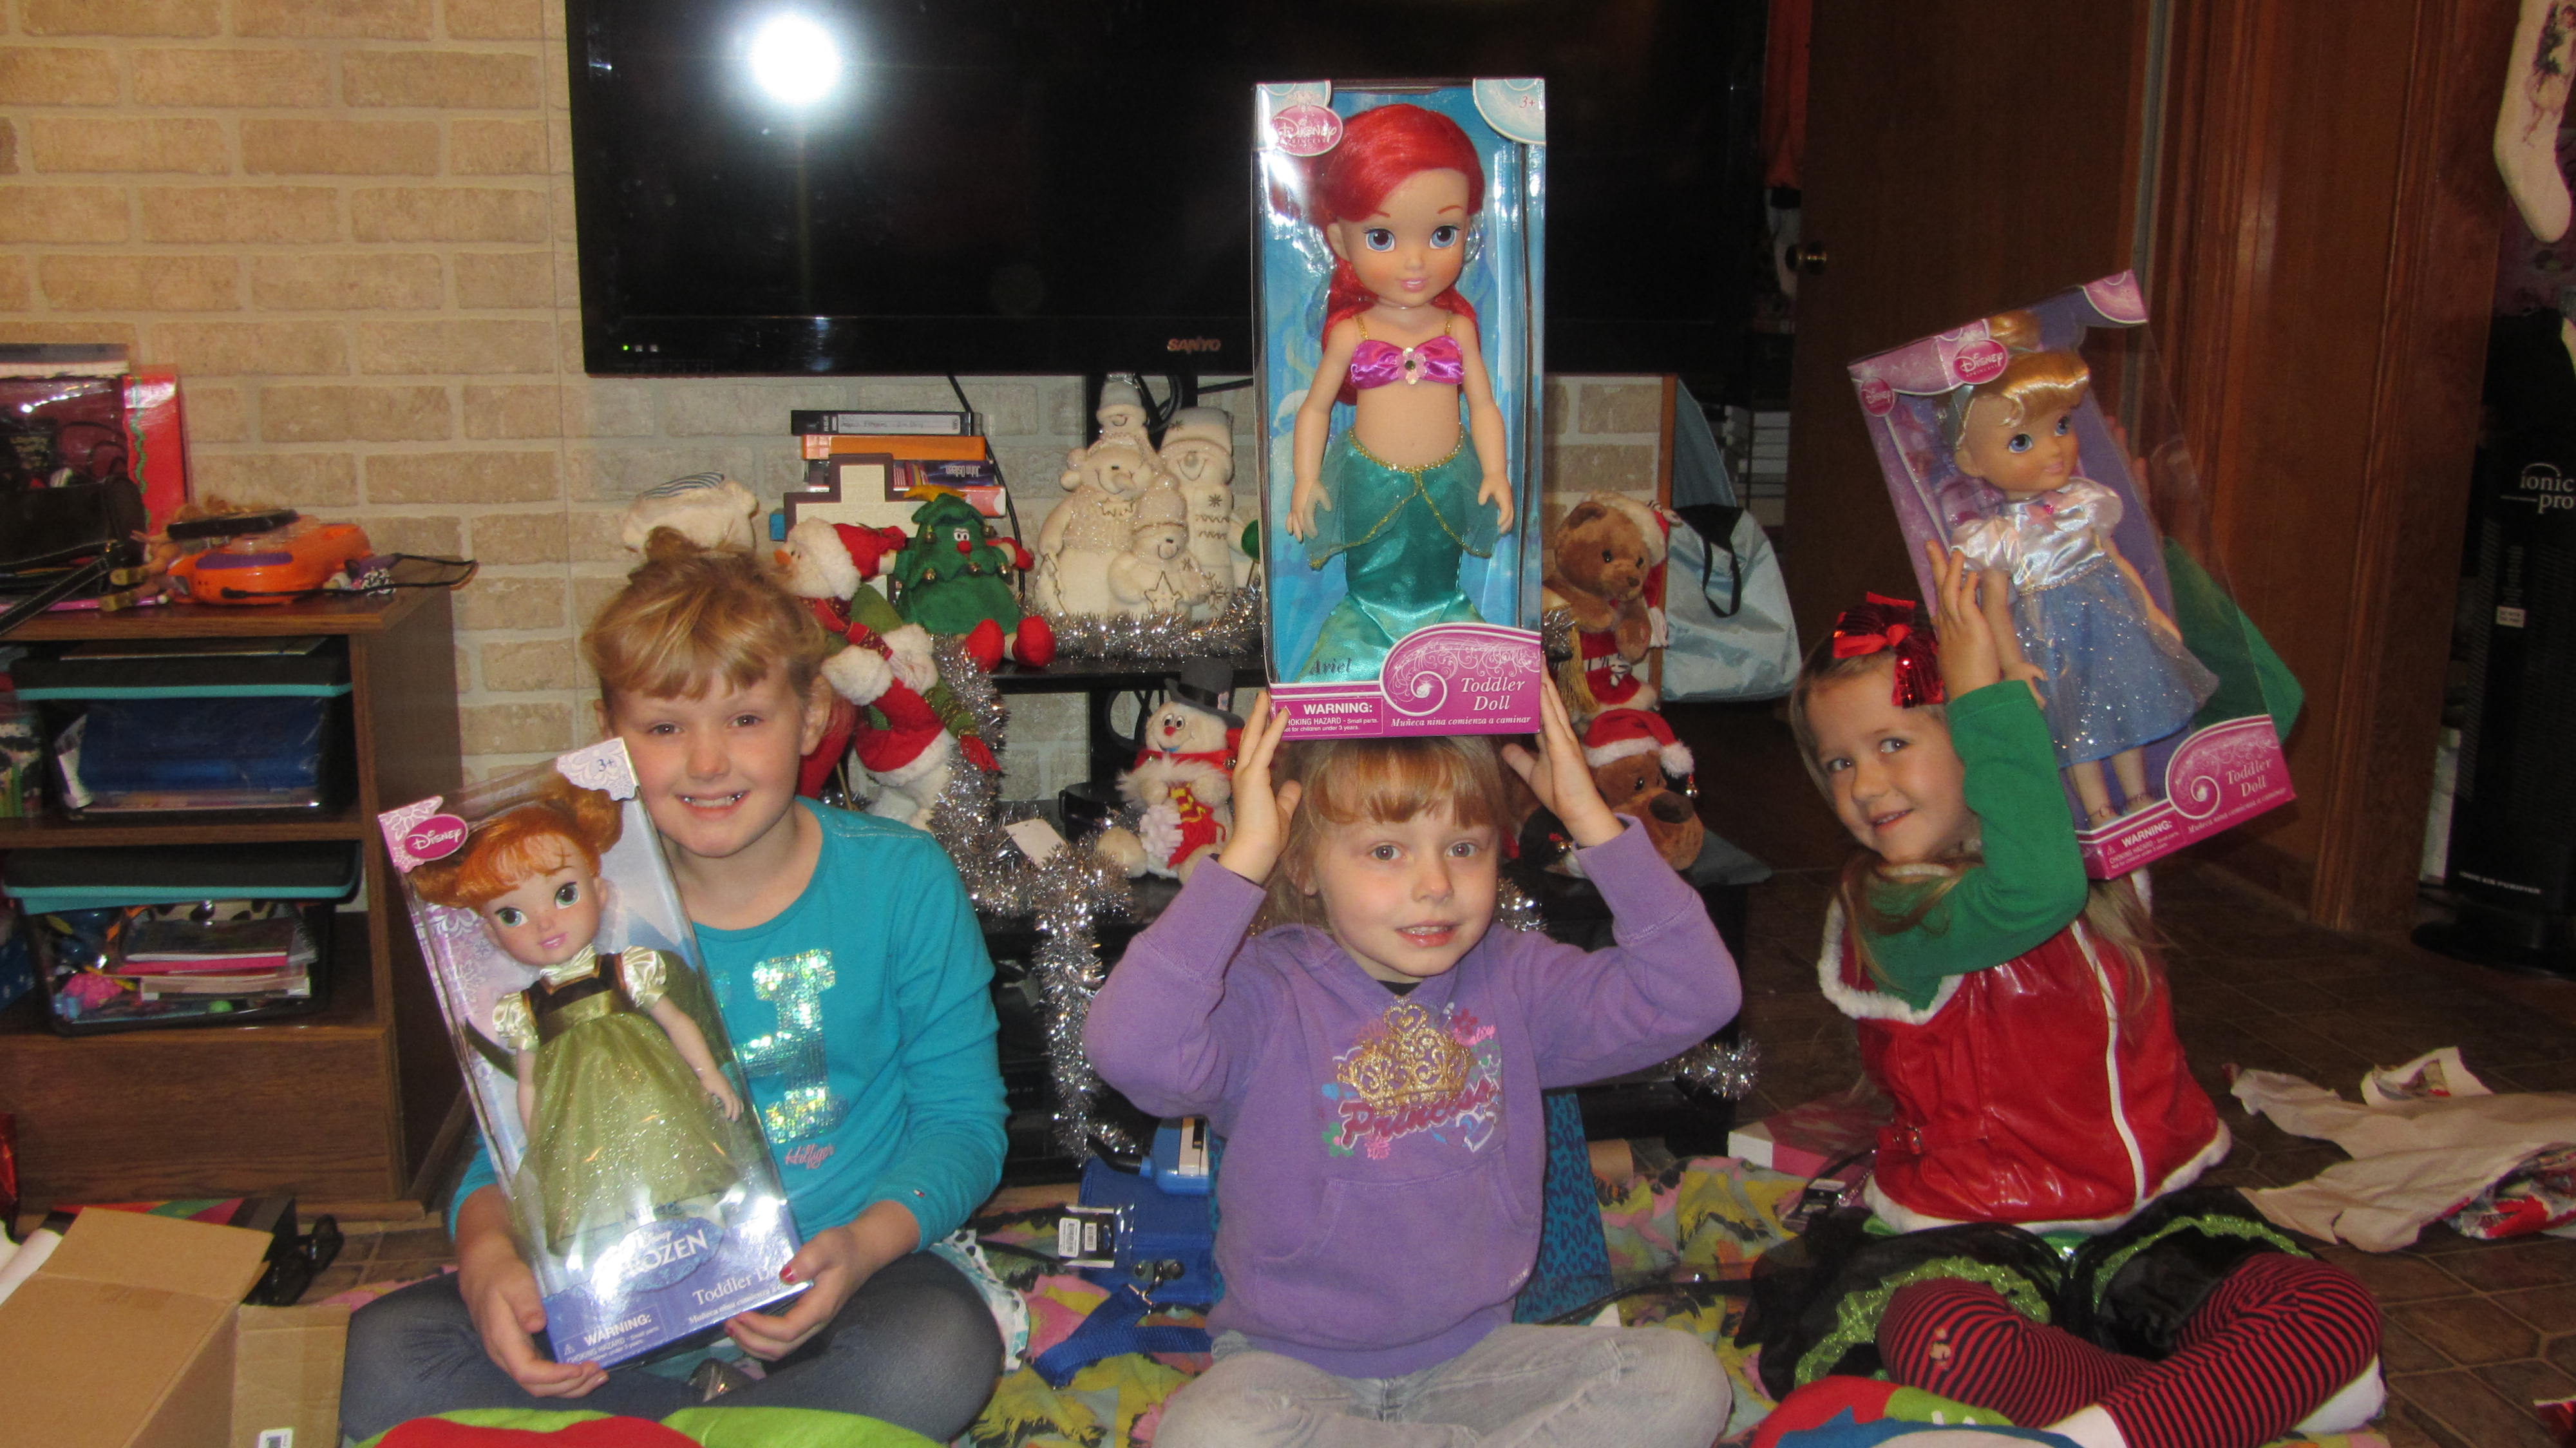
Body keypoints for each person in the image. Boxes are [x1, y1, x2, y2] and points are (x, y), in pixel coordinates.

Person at [343, 531, 1009, 1442]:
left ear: (812, 716)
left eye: (745, 719)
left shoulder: (901, 880)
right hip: (616, 1293)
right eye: (663, 729)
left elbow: (962, 1123)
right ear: (610, 739)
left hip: (840, 1281)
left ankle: (654, 1428)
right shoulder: (559, 904)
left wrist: (863, 1246)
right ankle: (739, 1425)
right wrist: (489, 1254)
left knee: (937, 1350)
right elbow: (504, 1145)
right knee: (378, 1355)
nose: (705, 763)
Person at [1768, 544, 2380, 1448]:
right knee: (1942, 1339)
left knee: (2331, 1310)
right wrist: (1982, 692)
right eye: (1837, 764)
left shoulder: (2099, 833)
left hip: (2143, 1227)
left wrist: (2128, 537)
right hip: (1971, 1237)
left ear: (1991, 731)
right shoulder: (1889, 908)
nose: (1863, 785)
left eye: (1892, 744)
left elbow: (2263, 713)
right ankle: (2202, 1407)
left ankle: (2127, 1420)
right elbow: (2035, 892)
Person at [1085, 685, 1739, 1447]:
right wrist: (1241, 865)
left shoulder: (1516, 979)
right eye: (1385, 851)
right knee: (1211, 1434)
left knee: (1683, 1379)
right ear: (1304, 863)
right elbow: (1129, 1049)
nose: (1435, 885)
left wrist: (1594, 823)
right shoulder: (1263, 991)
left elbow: (1695, 994)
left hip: (1477, 1362)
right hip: (1286, 1369)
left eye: (1463, 847)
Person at [406, 777, 752, 1263]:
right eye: (512, 915)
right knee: (603, 1196)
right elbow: (528, 1083)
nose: (545, 922)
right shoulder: (523, 1008)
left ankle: (717, 1244)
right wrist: (539, 1142)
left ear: (599, 892)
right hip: (579, 1118)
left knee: (675, 1168)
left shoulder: (626, 969)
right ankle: (620, 1265)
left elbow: (676, 1022)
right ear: (490, 933)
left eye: (564, 894)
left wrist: (708, 1073)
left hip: (650, 1093)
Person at [1943, 312, 2216, 823]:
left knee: (2126, 708)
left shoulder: (2086, 503)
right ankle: (2099, 810)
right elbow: (1995, 605)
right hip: (2051, 637)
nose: (2054, 449)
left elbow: (2116, 560)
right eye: (2021, 442)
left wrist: (2152, 613)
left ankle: (2137, 796)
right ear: (1972, 461)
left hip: (2111, 619)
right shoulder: (1997, 535)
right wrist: (2012, 664)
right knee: (2078, 728)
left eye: (2062, 426)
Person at [1283, 102, 1515, 683]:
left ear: (1469, 230)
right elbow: (1315, 408)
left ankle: (1450, 645)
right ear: (1340, 240)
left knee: (1440, 575)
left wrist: (1496, 472)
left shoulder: (1457, 329)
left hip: (1449, 476)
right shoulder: (1354, 332)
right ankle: (1358, 655)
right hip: (1368, 479)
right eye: (1382, 236)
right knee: (1370, 579)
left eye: (1443, 234)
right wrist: (1305, 480)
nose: (1415, 261)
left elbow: (1483, 405)